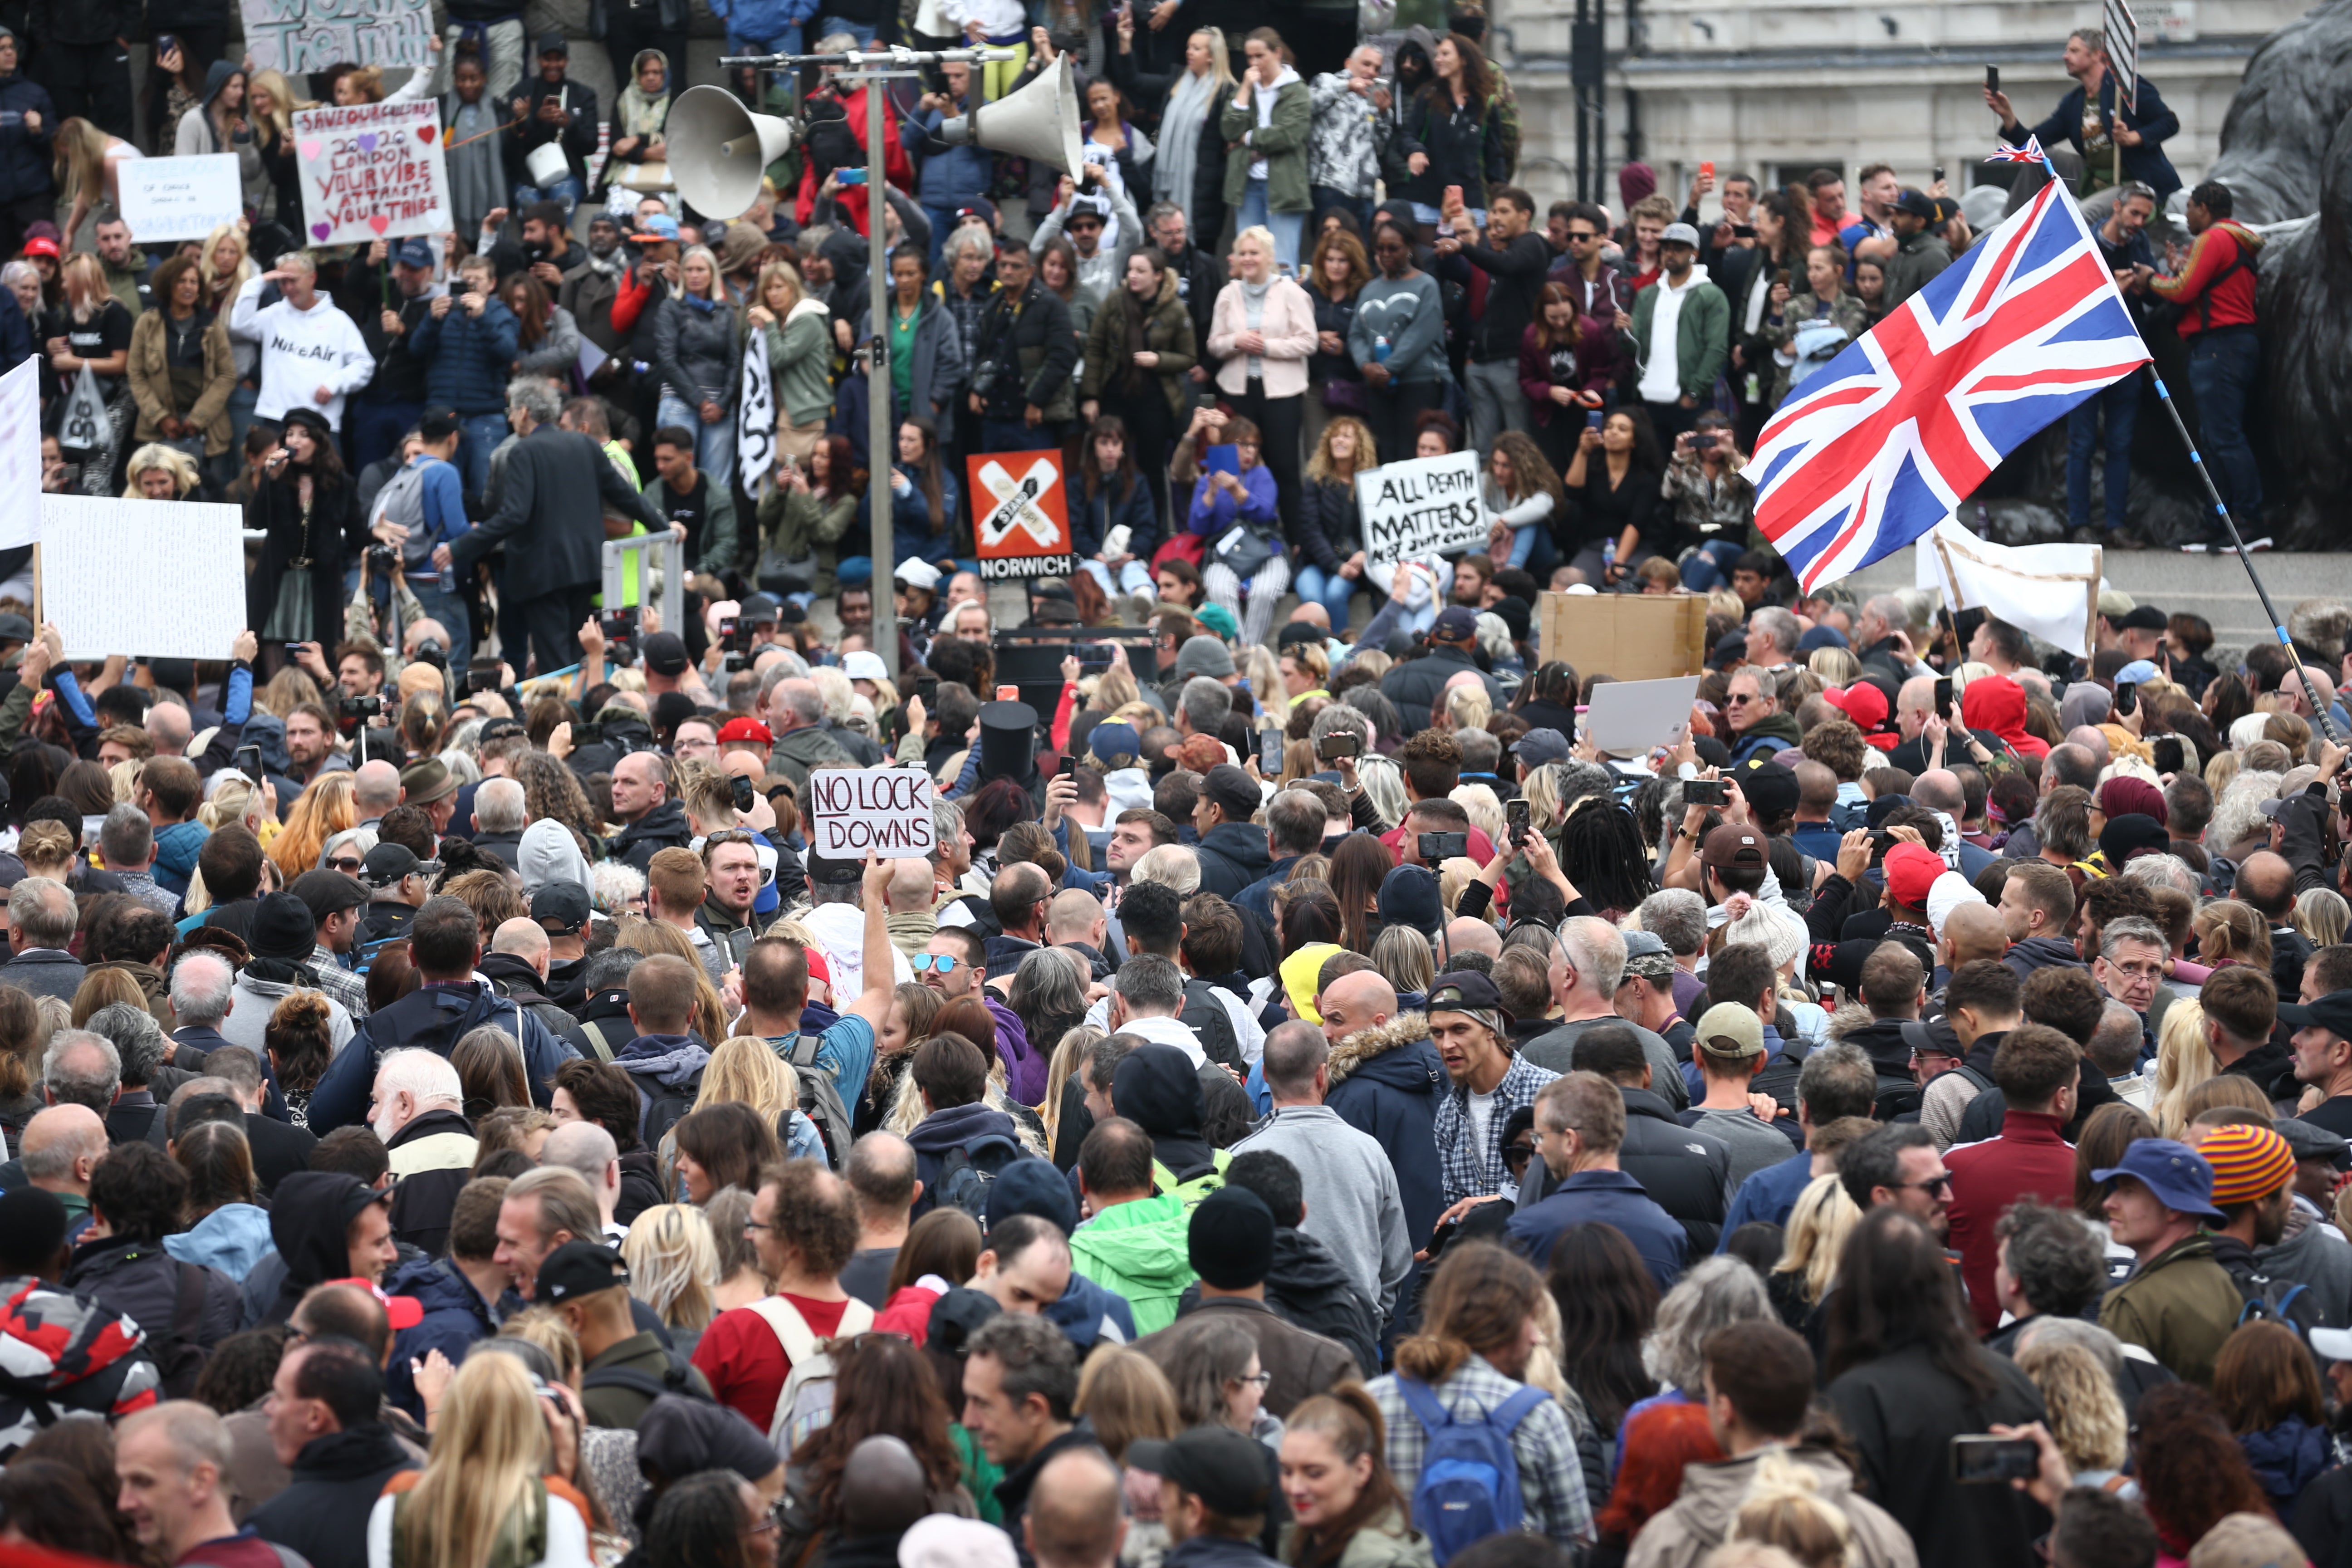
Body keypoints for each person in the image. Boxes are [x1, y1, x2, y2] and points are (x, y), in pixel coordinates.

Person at [1823, 1208, 2047, 1568]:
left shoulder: (1860, 1398)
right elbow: (2040, 1510)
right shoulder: (2010, 1379)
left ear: (1857, 1291)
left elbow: (1847, 1536)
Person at [1625, 1319, 1914, 1568]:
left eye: (1710, 1395)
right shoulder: (1878, 1534)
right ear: (1804, 1406)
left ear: (1725, 1410)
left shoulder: (1669, 1541)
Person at [1367, 1241, 1590, 1549]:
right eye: (1531, 1319)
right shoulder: (1538, 1415)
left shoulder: (1372, 1404)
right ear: (1510, 1323)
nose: (1536, 1336)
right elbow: (1576, 1540)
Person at [439, 377, 666, 674]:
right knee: (576, 654)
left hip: (543, 575)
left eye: (512, 410)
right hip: (585, 571)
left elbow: (514, 516)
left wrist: (458, 547)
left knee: (555, 665)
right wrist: (664, 527)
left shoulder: (522, 451)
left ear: (523, 413)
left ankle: (564, 719)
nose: (509, 418)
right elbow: (627, 498)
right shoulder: (586, 444)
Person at [367, 1349, 596, 1567]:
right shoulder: (556, 1510)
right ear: (531, 1425)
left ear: (452, 1418)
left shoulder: (395, 1505)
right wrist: (568, 1466)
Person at [2147, 182, 2266, 551]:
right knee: (2216, 439)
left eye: (2190, 208)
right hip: (2233, 346)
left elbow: (2182, 291)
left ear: (2205, 208)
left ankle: (2248, 520)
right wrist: (2182, 269)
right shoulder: (2236, 240)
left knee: (2224, 437)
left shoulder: (2213, 240)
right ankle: (2221, 521)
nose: (2186, 216)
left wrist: (2150, 279)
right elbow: (2205, 284)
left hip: (2219, 347)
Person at [248, 1333, 419, 1568]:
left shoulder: (275, 1529)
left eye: (279, 1396)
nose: (268, 1408)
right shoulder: (434, 1492)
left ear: (315, 1417)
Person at [1509, 1069, 1687, 1289]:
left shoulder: (1528, 1230)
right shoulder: (1668, 1232)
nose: (1538, 1149)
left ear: (1570, 1141)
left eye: (1541, 1137)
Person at [2094, 1135, 2242, 1385]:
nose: (2109, 1203)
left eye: (2128, 1192)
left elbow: (2116, 1415)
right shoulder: (2227, 1281)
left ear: (2174, 1209)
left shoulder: (2133, 1305)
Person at [1985, 26, 2181, 200]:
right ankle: (2014, 227)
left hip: (2131, 183)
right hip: (2093, 179)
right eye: (2066, 51)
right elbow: (2031, 145)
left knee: (2083, 217)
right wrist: (2007, 115)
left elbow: (2169, 122)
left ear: (2097, 55)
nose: (2065, 56)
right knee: (2043, 157)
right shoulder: (2074, 103)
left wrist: (2133, 137)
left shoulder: (2125, 87)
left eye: (2074, 51)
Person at [247, 410, 364, 657]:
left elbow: (357, 535)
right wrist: (270, 480)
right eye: (290, 434)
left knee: (317, 651)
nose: (294, 441)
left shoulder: (340, 483)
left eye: (303, 435)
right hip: (278, 579)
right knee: (269, 647)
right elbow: (256, 521)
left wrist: (378, 533)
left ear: (319, 441)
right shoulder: (279, 477)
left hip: (319, 583)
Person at [1351, 222, 1446, 477]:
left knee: (1412, 454)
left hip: (1419, 382)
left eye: (1393, 248)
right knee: (1384, 454)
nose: (1385, 254)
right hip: (1378, 385)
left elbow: (1421, 334)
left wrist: (1387, 368)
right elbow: (1356, 333)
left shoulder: (1427, 285)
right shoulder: (1369, 289)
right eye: (1380, 248)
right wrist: (1366, 366)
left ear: (1409, 248)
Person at [1628, 222, 1728, 448]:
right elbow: (1633, 348)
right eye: (1666, 248)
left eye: (1678, 248)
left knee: (1690, 467)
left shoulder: (1710, 295)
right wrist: (1625, 331)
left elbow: (1716, 349)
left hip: (1686, 402)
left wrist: (1693, 394)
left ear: (1694, 254)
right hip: (1649, 400)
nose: (1670, 253)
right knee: (1653, 467)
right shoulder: (1648, 295)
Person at [1222, 29, 1312, 272]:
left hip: (1284, 187)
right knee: (1248, 263)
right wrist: (1244, 89)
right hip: (1248, 184)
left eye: (1260, 56)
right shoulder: (1248, 88)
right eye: (1249, 57)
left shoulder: (1297, 90)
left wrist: (1249, 138)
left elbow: (1289, 134)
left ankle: (1284, 311)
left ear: (1277, 53)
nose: (1254, 63)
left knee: (1282, 265)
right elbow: (1229, 130)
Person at [1559, 407, 1663, 588]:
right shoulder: (1592, 467)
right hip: (1595, 546)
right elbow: (1571, 491)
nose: (1613, 432)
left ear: (1634, 441)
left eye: (1622, 429)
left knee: (1628, 584)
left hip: (1634, 549)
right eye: (1609, 427)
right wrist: (1583, 451)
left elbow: (1636, 524)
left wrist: (1618, 563)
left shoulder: (1646, 478)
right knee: (1575, 585)